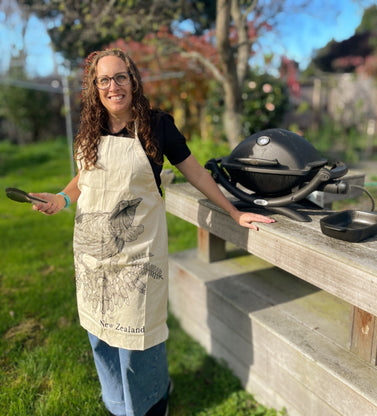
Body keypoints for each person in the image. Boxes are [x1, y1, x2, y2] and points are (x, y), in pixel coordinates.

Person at [31, 48, 275, 416]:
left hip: (136, 256)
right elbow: (86, 178)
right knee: (99, 336)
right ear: (94, 86)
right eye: (104, 80)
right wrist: (62, 199)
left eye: (120, 77)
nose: (113, 86)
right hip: (92, 255)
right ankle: (117, 404)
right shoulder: (90, 125)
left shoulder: (157, 125)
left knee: (139, 340)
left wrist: (233, 211)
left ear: (133, 79)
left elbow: (195, 171)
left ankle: (150, 404)